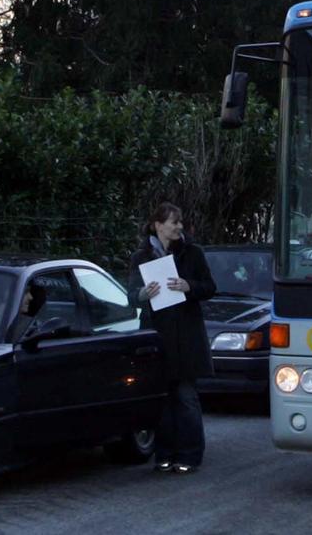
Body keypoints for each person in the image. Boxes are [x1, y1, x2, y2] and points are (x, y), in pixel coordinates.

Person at [128, 202, 217, 474]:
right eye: (173, 222)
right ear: (158, 225)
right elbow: (132, 295)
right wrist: (144, 294)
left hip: (186, 337)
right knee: (162, 398)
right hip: (157, 337)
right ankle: (164, 454)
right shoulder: (141, 255)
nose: (179, 227)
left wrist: (189, 286)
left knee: (186, 396)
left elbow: (209, 287)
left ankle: (190, 455)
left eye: (180, 222)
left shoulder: (193, 253)